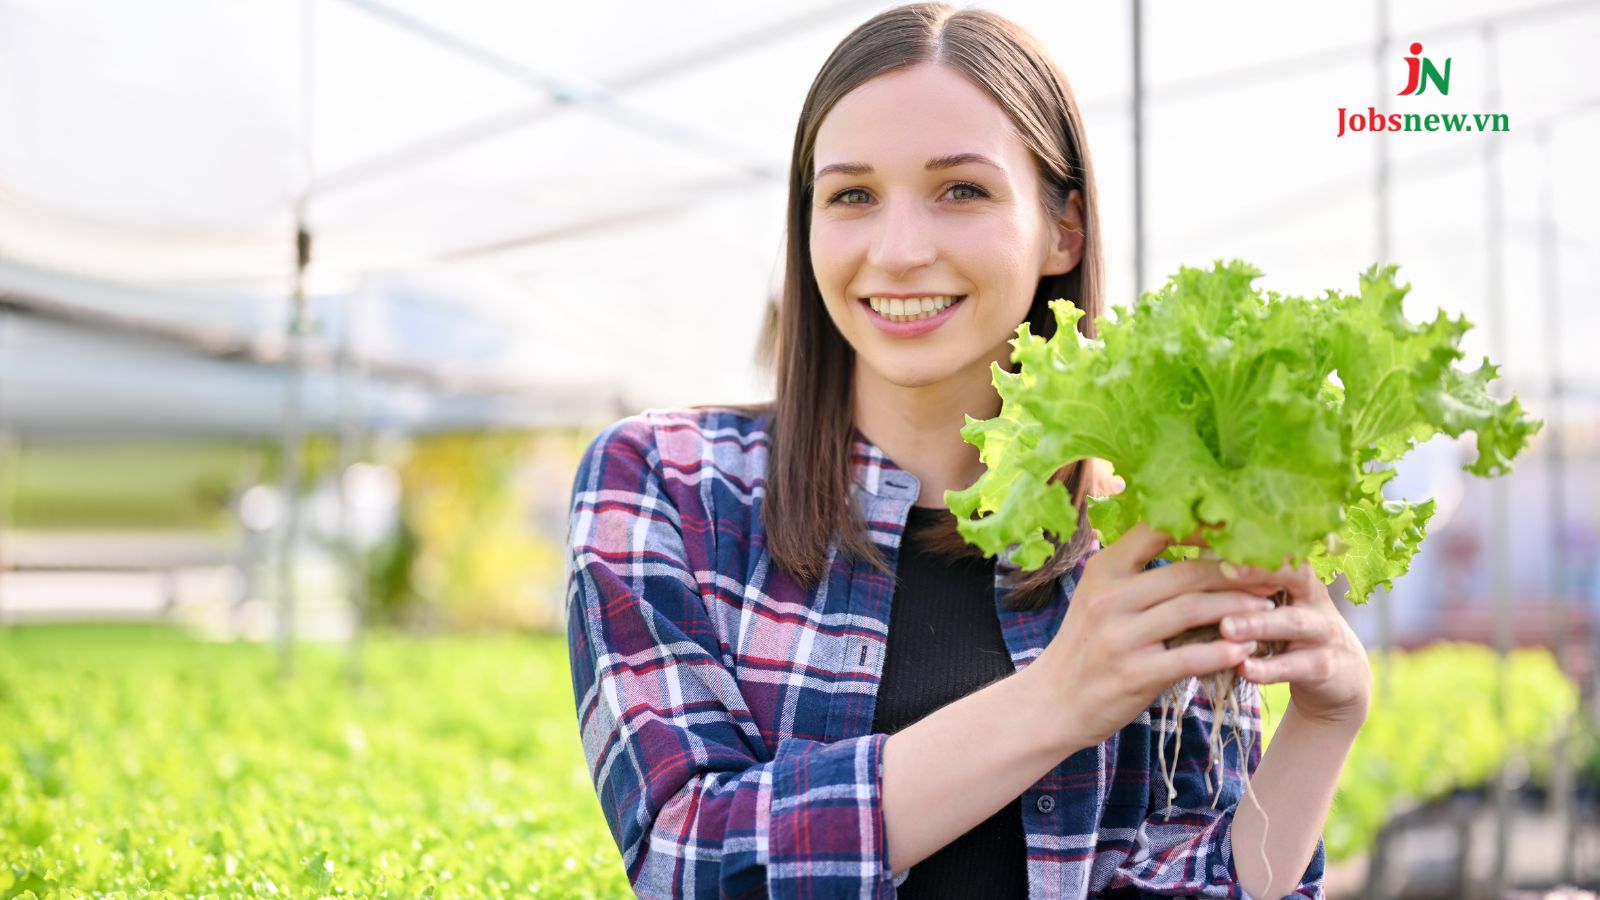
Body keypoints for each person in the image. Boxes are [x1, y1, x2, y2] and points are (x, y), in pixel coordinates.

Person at [565, 4, 1369, 897]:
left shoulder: (1151, 527)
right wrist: (1053, 703)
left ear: (1063, 229)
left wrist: (1322, 728)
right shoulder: (667, 485)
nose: (899, 250)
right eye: (852, 195)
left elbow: (1195, 882)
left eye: (962, 191)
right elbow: (688, 859)